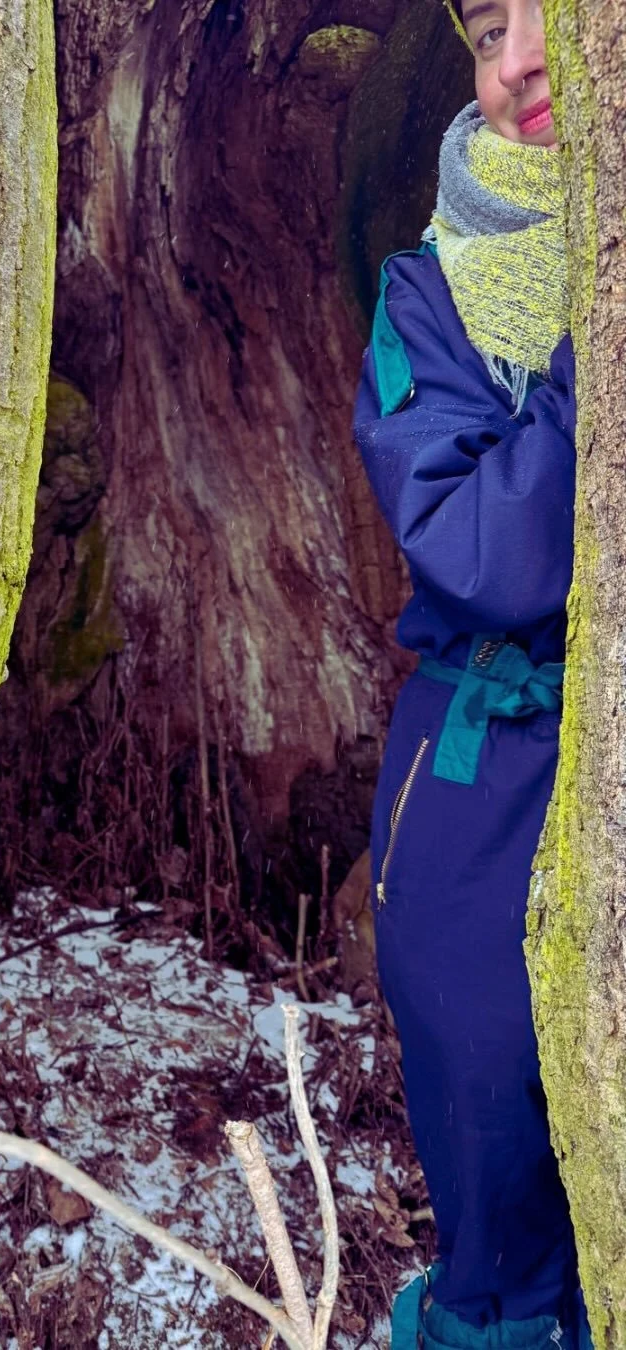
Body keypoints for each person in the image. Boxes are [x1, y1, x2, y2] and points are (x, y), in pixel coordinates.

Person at [352, 1, 592, 1346]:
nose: (523, 62)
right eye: (490, 29)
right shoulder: (429, 293)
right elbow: (485, 550)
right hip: (481, 752)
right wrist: (583, 365)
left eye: (557, 14)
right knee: (486, 1077)